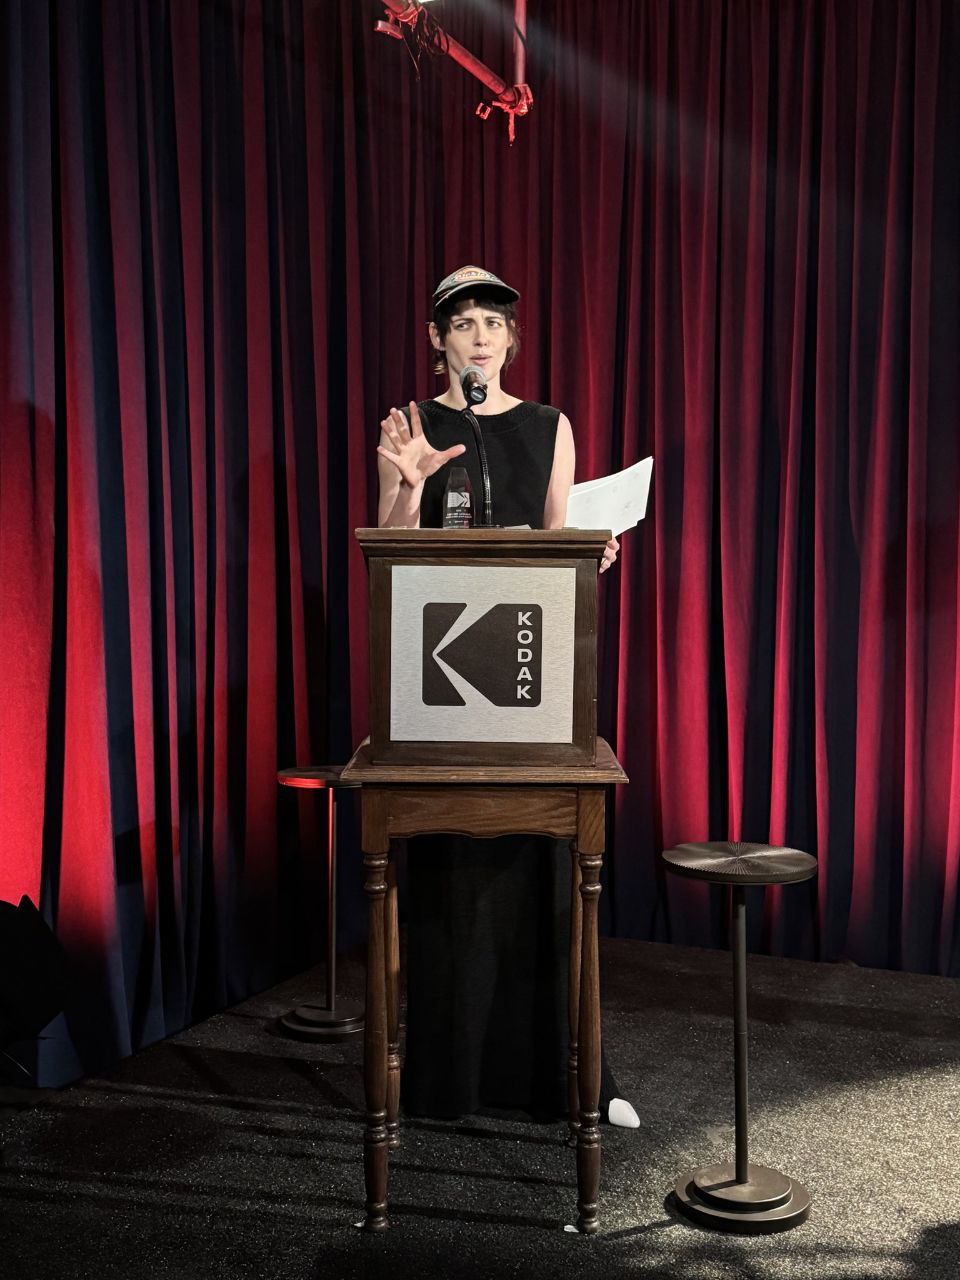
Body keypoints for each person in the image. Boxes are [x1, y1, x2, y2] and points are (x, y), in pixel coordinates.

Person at [375, 265, 636, 1127]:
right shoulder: (411, 425)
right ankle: (444, 1081)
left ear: (511, 340)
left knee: (541, 866)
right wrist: (411, 484)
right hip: (440, 686)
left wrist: (591, 553)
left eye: (493, 322)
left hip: (527, 680)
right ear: (437, 339)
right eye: (463, 323)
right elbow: (387, 553)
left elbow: (556, 548)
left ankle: (561, 1077)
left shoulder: (548, 426)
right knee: (450, 868)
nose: (480, 336)